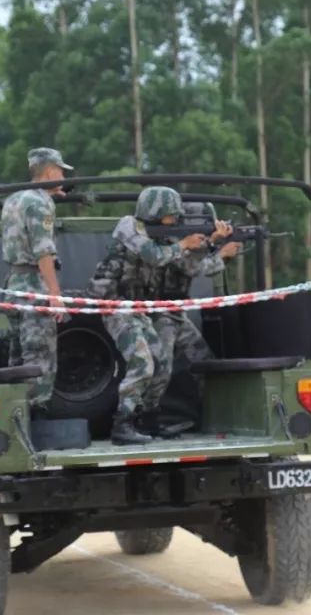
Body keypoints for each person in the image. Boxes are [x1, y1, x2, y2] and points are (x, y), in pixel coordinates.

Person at [87, 187, 207, 445]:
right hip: (115, 306)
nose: (175, 220)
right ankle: (122, 424)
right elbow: (152, 257)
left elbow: (185, 265)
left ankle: (149, 421)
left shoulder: (161, 238)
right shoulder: (129, 227)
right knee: (143, 362)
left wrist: (207, 244)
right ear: (156, 212)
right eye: (171, 215)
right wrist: (183, 244)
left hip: (138, 307)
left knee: (162, 362)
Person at [146, 204, 242, 427]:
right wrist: (220, 252)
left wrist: (215, 245)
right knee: (161, 370)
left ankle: (212, 416)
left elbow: (197, 262)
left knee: (205, 363)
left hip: (175, 314)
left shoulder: (180, 241)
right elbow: (193, 268)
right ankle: (146, 419)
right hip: (160, 314)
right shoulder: (166, 242)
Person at [0, 147, 72, 415]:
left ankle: (17, 414)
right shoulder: (41, 204)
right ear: (51, 171)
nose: (63, 177)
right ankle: (37, 417)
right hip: (34, 288)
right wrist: (55, 295)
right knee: (40, 358)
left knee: (18, 358)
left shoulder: (14, 199)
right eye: (61, 171)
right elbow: (44, 252)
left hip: (14, 287)